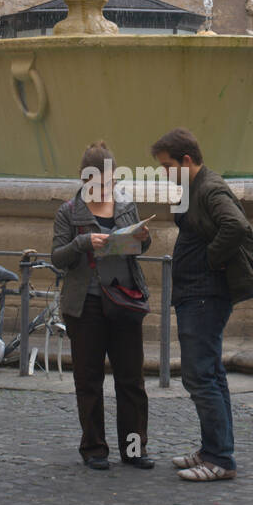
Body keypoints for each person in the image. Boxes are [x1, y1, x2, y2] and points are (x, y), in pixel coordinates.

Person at [151, 127, 253, 482]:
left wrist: (209, 261)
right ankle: (214, 449)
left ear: (187, 160)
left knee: (200, 375)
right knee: (210, 373)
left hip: (204, 295)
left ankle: (220, 458)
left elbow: (237, 226)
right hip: (195, 294)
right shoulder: (192, 189)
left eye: (168, 166)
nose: (164, 173)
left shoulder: (210, 188)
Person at [51, 141, 153, 471]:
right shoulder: (69, 212)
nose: (105, 189)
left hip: (124, 300)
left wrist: (143, 238)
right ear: (85, 180)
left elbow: (140, 249)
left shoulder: (125, 205)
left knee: (131, 380)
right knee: (89, 380)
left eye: (110, 182)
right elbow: (57, 258)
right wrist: (83, 242)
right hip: (86, 306)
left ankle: (134, 449)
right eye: (97, 183)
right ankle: (94, 448)